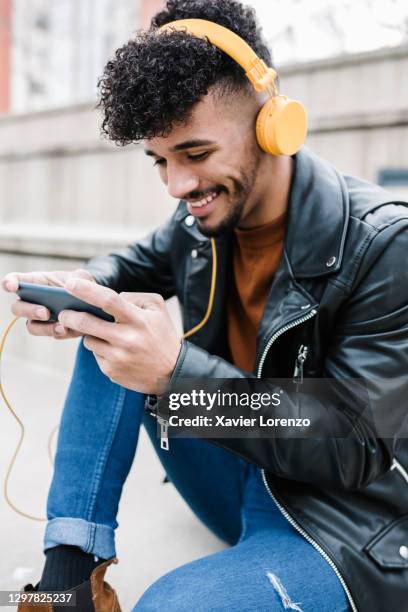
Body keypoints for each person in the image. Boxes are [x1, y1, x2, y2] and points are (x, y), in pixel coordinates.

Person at [2, 1, 408, 610]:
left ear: (275, 123)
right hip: (238, 473)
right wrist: (76, 288)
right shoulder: (198, 221)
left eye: (195, 154)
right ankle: (67, 582)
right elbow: (128, 268)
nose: (176, 185)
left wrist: (177, 375)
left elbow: (356, 445)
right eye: (160, 161)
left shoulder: (383, 243)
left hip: (346, 521)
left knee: (172, 604)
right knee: (110, 314)